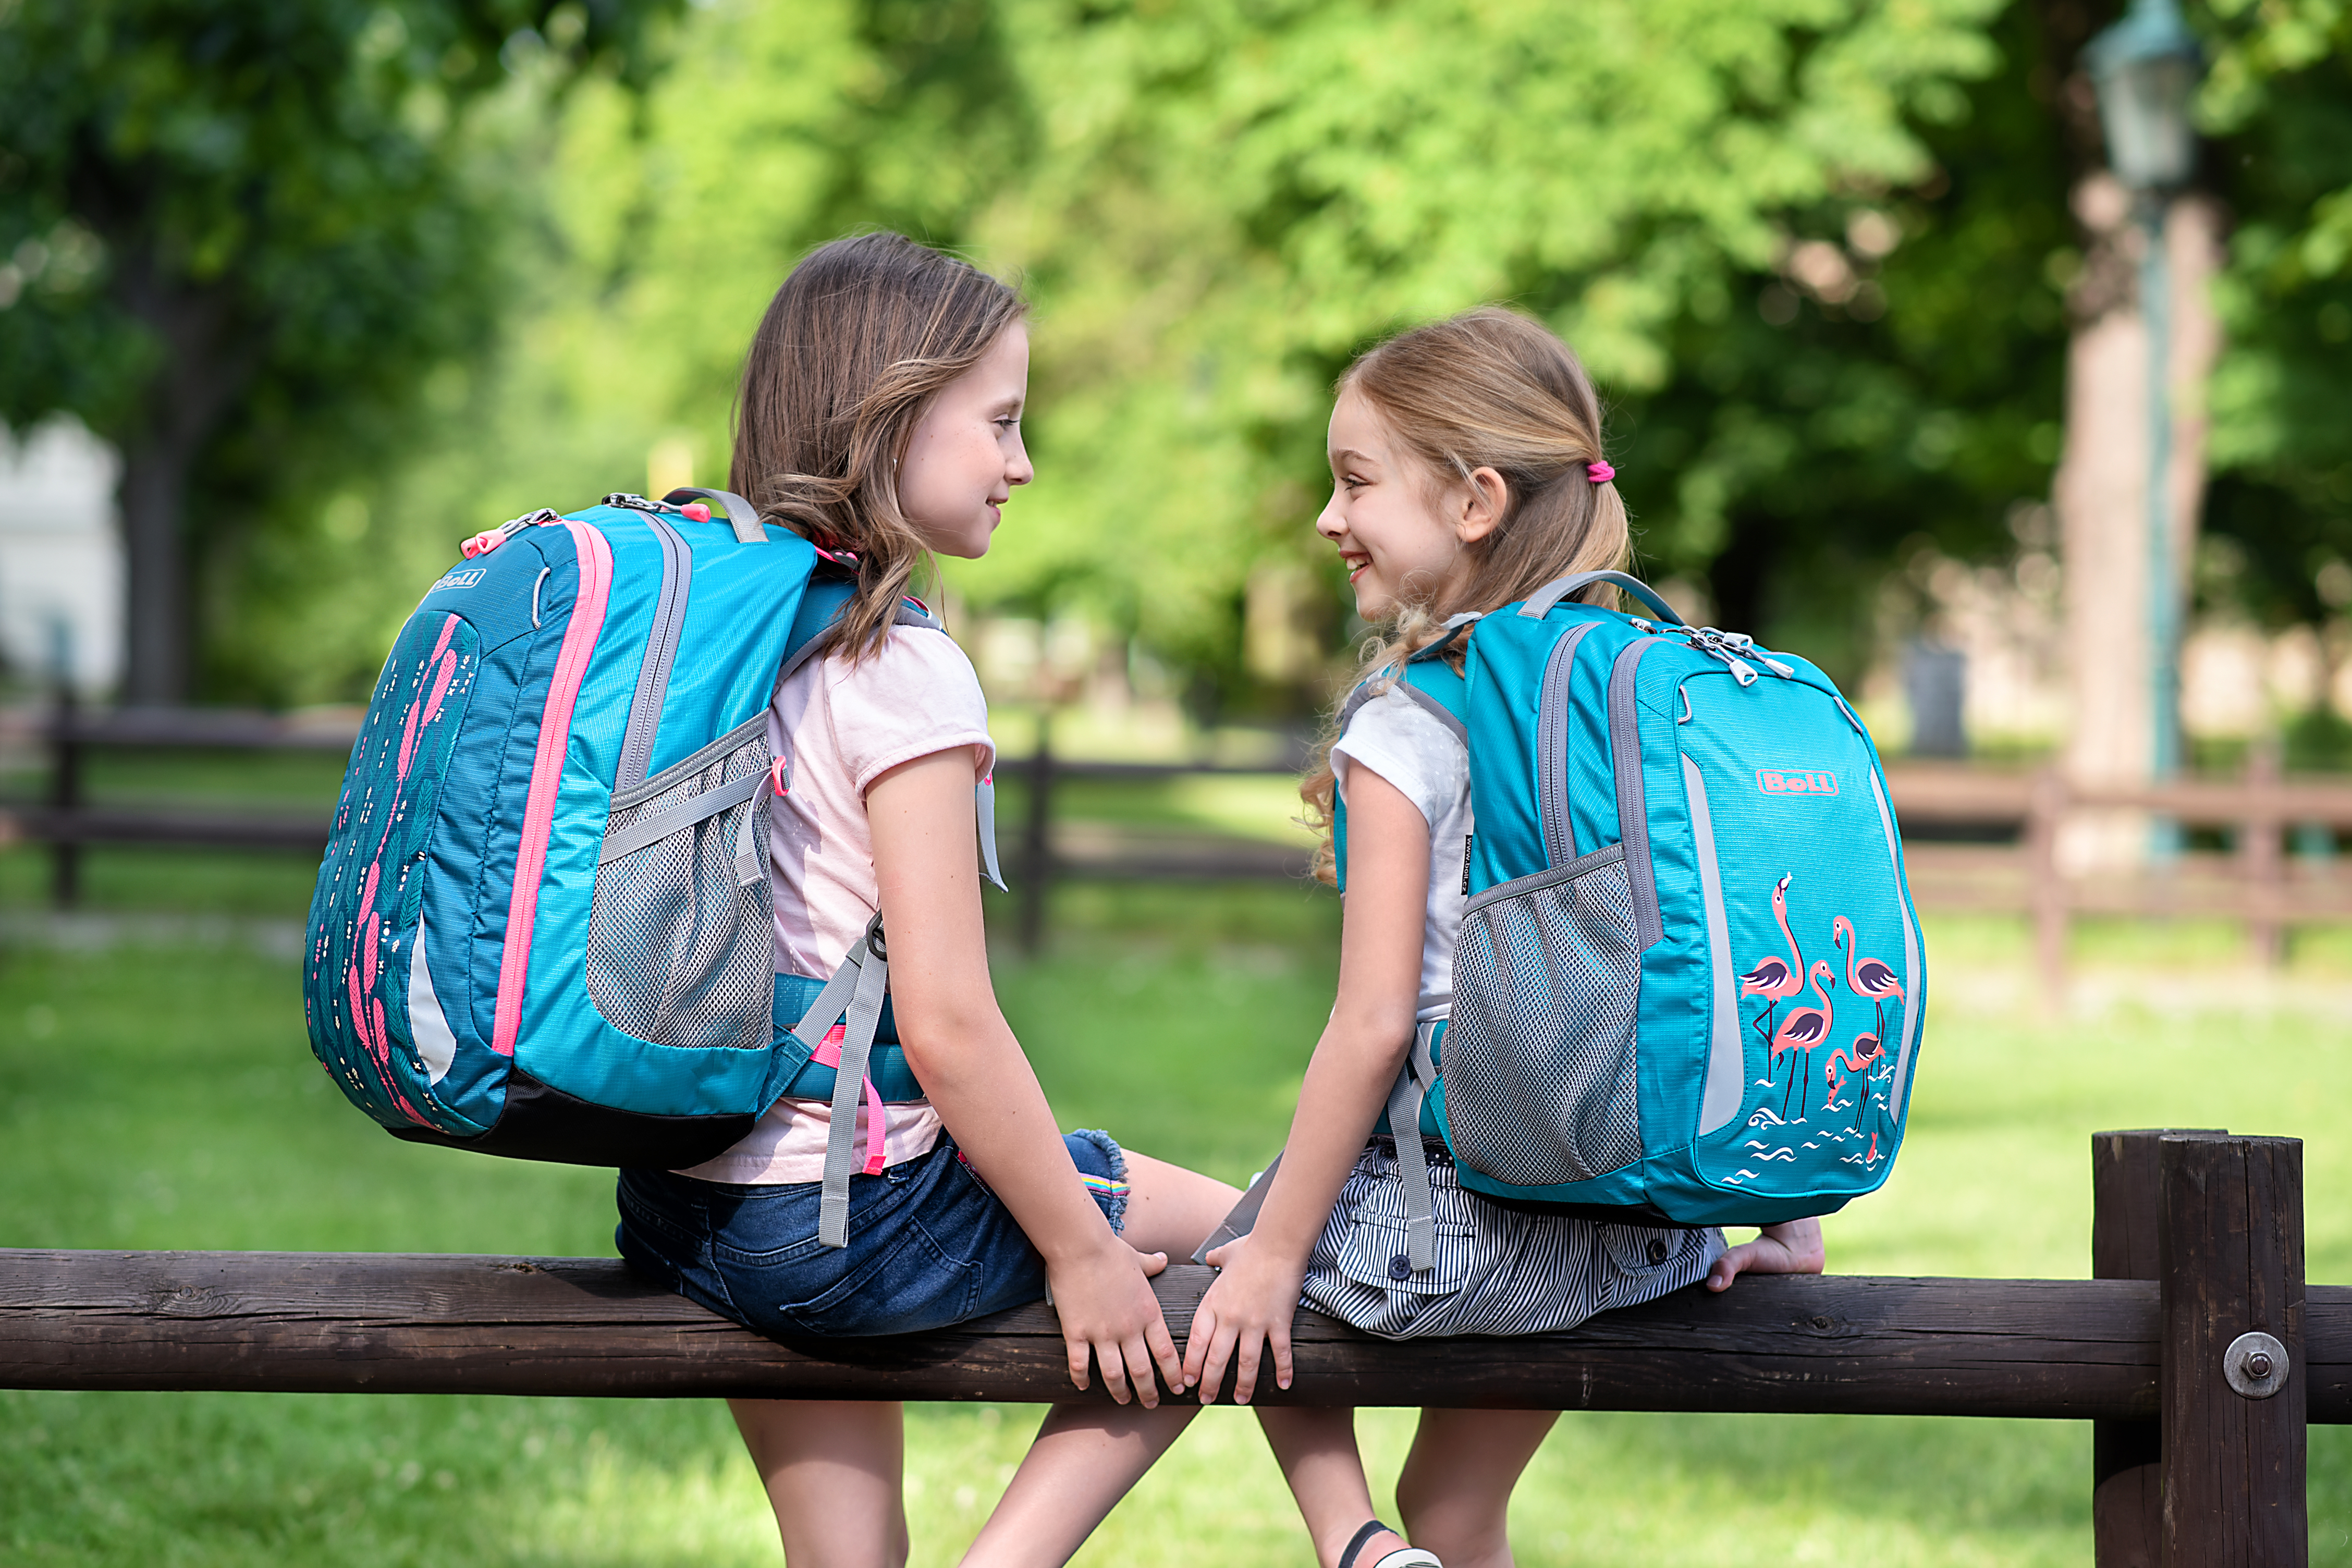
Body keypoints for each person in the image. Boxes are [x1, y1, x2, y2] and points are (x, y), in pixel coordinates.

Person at [613, 231, 1239, 1568]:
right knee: (1242, 1254)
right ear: (892, 418)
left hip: (686, 1201)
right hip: (845, 1223)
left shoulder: (730, 643)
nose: (1023, 463)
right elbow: (948, 1025)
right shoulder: (897, 666)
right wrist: (1079, 1250)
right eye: (1003, 423)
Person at [1177, 308, 1829, 1568]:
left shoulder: (1407, 723)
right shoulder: (1650, 682)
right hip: (1651, 1235)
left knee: (1223, 1255)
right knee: (1462, 1505)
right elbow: (1738, 942)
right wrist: (1791, 1206)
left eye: (1356, 479)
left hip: (1469, 1237)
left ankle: (1348, 1544)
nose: (1327, 516)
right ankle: (1409, 1543)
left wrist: (1271, 1258)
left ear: (1476, 499)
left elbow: (1372, 1028)